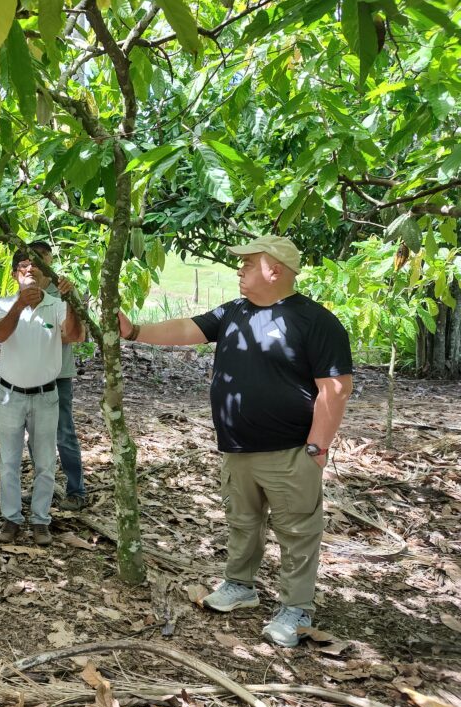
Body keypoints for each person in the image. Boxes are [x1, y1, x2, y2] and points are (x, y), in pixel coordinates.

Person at [116, 235, 352, 647]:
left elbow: (335, 388)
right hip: (237, 448)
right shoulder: (233, 313)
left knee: (297, 533)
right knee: (242, 523)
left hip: (291, 451)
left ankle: (296, 609)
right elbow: (187, 329)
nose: (239, 269)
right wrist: (134, 331)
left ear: (274, 269)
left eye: (248, 263)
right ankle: (239, 586)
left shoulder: (315, 321)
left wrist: (316, 449)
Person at [0, 249, 82, 546]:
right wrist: (19, 305)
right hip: (10, 395)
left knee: (44, 460)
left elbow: (74, 335)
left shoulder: (56, 305)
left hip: (46, 396)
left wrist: (72, 301)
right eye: (23, 267)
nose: (29, 271)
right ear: (15, 274)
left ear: (46, 275)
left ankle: (41, 519)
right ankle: (11, 518)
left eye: (36, 267)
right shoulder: (4, 304)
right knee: (9, 461)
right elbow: (1, 335)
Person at [29, 240, 88, 511]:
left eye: (43, 258)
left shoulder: (63, 291)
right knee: (35, 433)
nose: (37, 264)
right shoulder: (24, 292)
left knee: (63, 432)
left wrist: (70, 300)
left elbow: (73, 335)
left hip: (57, 374)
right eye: (33, 258)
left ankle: (76, 490)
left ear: (50, 261)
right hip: (29, 376)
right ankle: (45, 487)